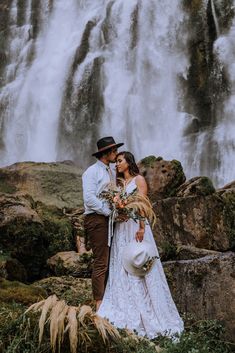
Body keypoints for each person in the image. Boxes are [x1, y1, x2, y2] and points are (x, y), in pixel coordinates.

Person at [97, 151, 184, 339]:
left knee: (139, 260)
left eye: (119, 161)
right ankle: (127, 304)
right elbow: (120, 205)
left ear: (128, 162)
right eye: (116, 162)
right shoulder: (121, 184)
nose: (117, 164)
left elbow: (143, 205)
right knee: (122, 265)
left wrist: (142, 228)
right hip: (122, 228)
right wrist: (117, 205)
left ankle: (150, 309)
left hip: (135, 227)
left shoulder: (139, 180)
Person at [82, 136, 124, 311]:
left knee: (109, 260)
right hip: (97, 219)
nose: (116, 154)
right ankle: (99, 303)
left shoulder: (110, 172)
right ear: (105, 153)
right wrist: (107, 212)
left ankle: (107, 298)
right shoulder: (92, 172)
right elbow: (89, 198)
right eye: (114, 151)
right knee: (101, 261)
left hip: (108, 219)